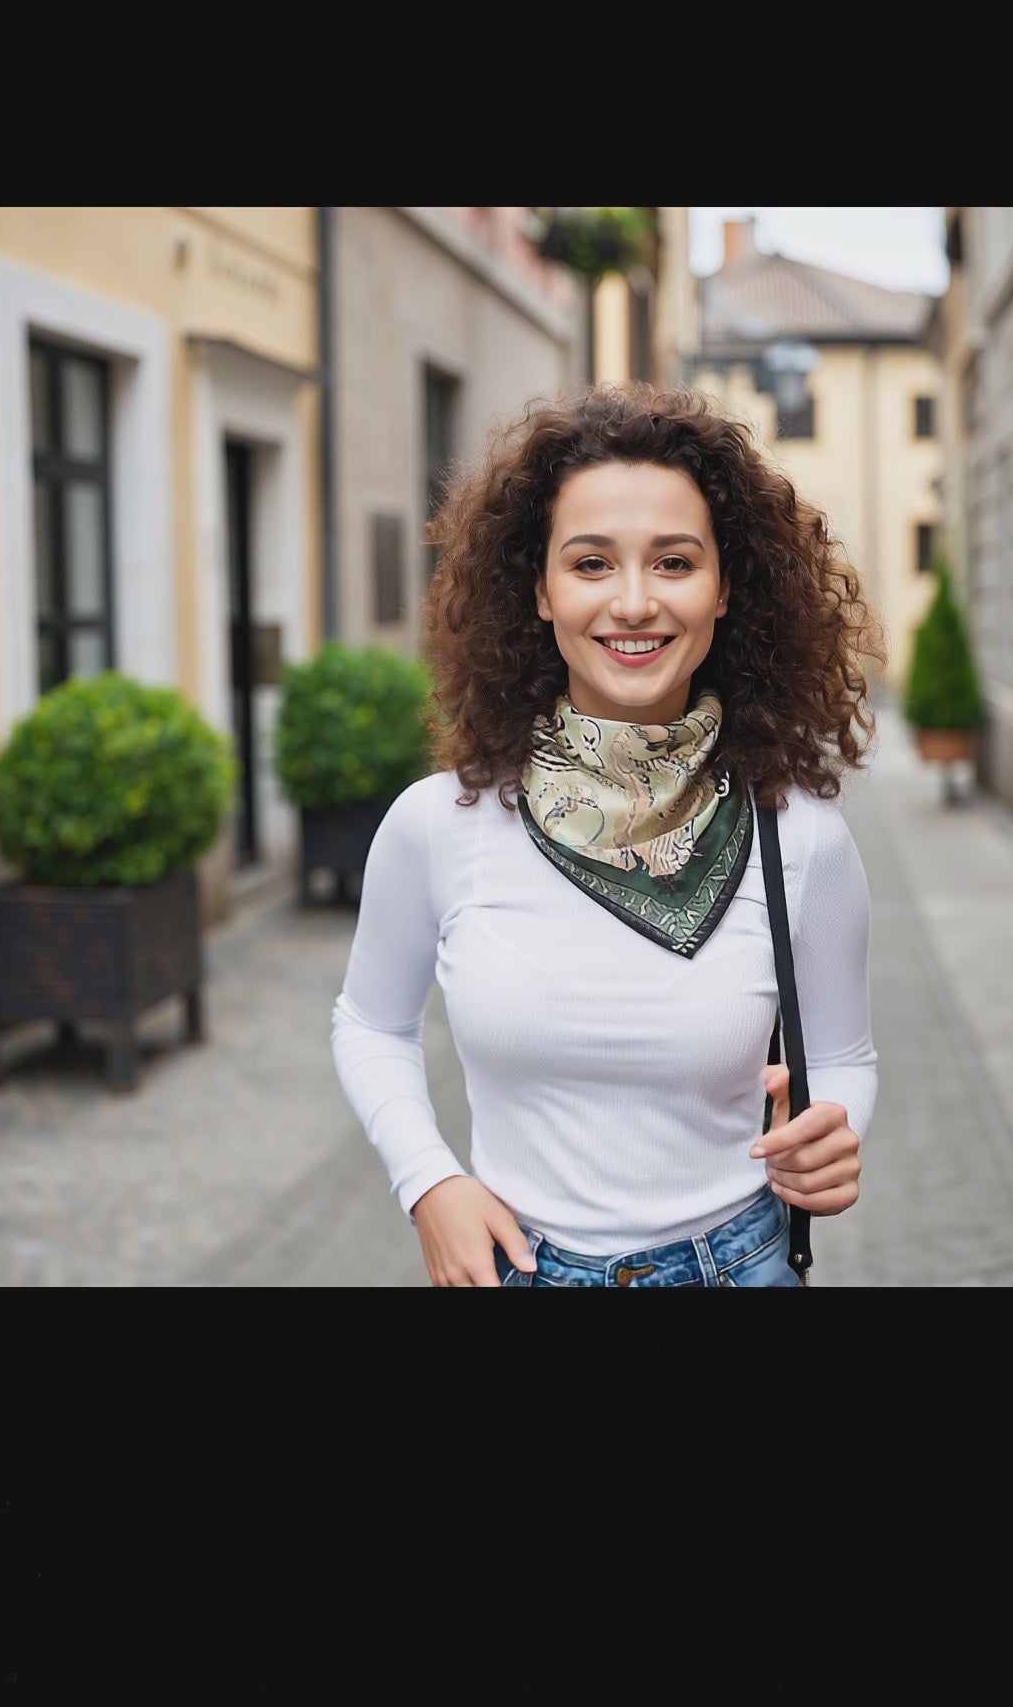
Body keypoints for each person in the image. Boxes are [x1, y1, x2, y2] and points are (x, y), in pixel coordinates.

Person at [331, 382, 884, 1287]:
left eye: (674, 562)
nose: (633, 602)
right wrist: (429, 1182)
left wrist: (833, 1131)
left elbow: (845, 1057)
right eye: (591, 564)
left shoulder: (801, 837)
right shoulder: (442, 824)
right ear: (540, 592)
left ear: (725, 589)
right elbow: (369, 1024)